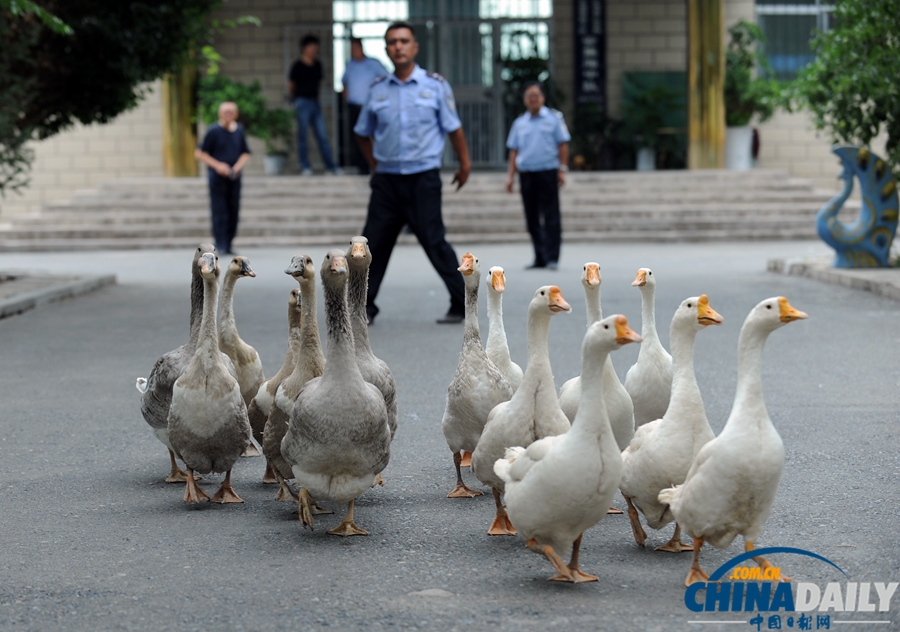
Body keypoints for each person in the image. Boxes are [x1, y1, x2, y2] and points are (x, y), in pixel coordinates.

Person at [354, 21, 471, 325]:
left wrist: (464, 163)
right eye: (392, 42)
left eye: (404, 41)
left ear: (415, 47)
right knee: (371, 245)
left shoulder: (434, 85)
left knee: (435, 241)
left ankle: (462, 305)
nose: (399, 46)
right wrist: (375, 165)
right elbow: (362, 133)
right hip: (387, 183)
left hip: (423, 179)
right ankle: (362, 307)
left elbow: (454, 129)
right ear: (387, 49)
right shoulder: (377, 89)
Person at [505, 82, 571, 270]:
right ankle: (539, 256)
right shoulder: (520, 123)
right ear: (524, 99)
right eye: (529, 96)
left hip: (548, 171)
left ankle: (552, 257)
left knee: (551, 216)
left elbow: (563, 145)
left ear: (542, 98)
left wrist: (562, 169)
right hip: (527, 174)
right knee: (531, 217)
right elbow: (514, 151)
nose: (533, 99)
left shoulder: (553, 119)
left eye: (536, 95)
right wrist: (510, 177)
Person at [194, 101, 250, 255]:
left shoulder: (239, 130)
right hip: (217, 177)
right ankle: (221, 243)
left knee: (233, 209)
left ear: (236, 114)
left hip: (234, 176)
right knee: (219, 210)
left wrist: (237, 166)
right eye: (225, 111)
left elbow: (245, 152)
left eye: (231, 111)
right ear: (220, 113)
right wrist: (218, 166)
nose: (228, 114)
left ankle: (229, 242)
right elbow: (200, 153)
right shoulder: (213, 131)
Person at [288, 34, 340, 175]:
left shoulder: (318, 64)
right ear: (304, 48)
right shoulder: (297, 66)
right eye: (311, 46)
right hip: (302, 102)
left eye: (316, 47)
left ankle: (331, 167)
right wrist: (294, 100)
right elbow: (291, 85)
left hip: (315, 102)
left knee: (322, 136)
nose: (314, 49)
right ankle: (305, 166)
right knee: (303, 136)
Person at [341, 37, 387, 175]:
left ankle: (377, 165)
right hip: (355, 106)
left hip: (371, 106)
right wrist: (347, 97)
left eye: (355, 48)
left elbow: (386, 80)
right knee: (358, 137)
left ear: (361, 48)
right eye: (351, 49)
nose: (353, 51)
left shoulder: (374, 64)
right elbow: (344, 83)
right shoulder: (350, 65)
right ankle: (363, 167)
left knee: (374, 137)